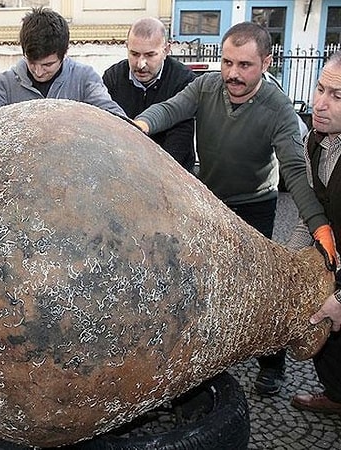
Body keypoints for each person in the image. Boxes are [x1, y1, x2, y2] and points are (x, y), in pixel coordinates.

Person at [134, 22, 334, 396]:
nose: (233, 74)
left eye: (244, 65)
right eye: (227, 62)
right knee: (207, 281)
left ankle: (273, 365)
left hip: (255, 204)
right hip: (210, 201)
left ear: (266, 63)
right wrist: (140, 125)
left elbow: (295, 172)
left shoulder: (279, 109)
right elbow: (170, 109)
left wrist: (319, 226)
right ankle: (208, 356)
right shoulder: (207, 86)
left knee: (266, 287)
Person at [288, 51, 341, 414]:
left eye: (337, 96)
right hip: (334, 252)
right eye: (320, 88)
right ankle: (337, 396)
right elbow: (309, 212)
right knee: (328, 337)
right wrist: (286, 264)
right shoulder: (314, 141)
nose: (319, 103)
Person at [0, 7, 126, 119]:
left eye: (47, 65)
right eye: (32, 62)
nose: (38, 72)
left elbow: (111, 114)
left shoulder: (85, 79)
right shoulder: (6, 83)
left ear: (64, 54)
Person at [102, 17, 196, 172]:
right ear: (126, 47)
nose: (141, 64)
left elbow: (180, 141)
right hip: (122, 170)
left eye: (150, 55)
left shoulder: (183, 80)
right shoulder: (112, 77)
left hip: (171, 172)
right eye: (134, 54)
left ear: (166, 50)